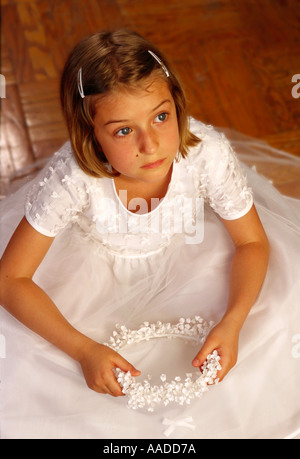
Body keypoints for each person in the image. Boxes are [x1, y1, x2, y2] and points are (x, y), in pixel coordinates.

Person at [0, 29, 299, 439]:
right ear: (92, 135)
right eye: (123, 130)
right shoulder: (74, 178)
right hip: (92, 280)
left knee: (276, 325)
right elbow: (10, 278)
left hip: (191, 259)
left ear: (176, 105)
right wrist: (84, 350)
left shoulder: (204, 154)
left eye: (161, 116)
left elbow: (251, 242)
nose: (151, 143)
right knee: (51, 384)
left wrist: (232, 322)